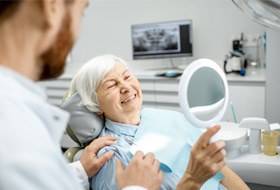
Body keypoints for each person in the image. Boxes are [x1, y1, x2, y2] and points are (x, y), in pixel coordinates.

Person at [0, 1, 162, 190]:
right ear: (51, 7)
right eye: (82, 12)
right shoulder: (14, 133)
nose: (125, 87)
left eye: (127, 76)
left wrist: (81, 170)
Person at [65, 54, 250, 190]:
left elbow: (221, 170)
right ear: (97, 105)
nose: (125, 87)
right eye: (111, 85)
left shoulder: (168, 116)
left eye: (127, 76)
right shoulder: (110, 157)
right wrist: (193, 179)